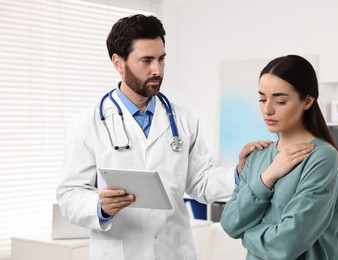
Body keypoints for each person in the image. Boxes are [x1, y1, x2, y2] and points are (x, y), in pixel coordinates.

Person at [56, 14, 277, 260]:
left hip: (174, 251)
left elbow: (200, 182)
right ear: (118, 63)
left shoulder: (183, 121)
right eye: (146, 60)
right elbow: (70, 196)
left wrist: (238, 171)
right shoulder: (86, 126)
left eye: (161, 59)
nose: (157, 70)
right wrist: (99, 206)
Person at [220, 55, 338, 260]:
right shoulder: (257, 155)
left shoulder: (322, 158)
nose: (267, 109)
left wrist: (247, 235)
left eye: (280, 101)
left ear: (307, 101)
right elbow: (229, 223)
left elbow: (287, 244)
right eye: (262, 99)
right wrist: (268, 176)